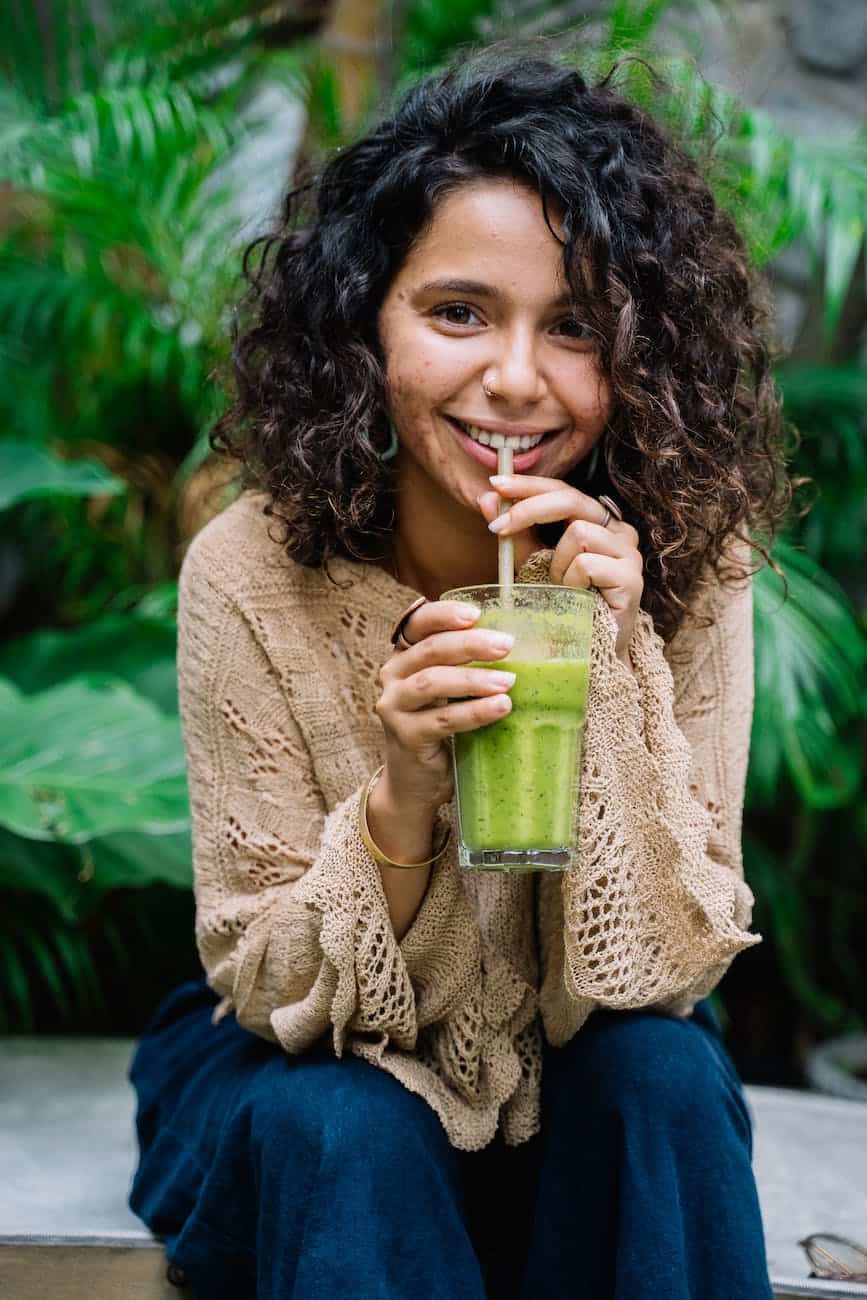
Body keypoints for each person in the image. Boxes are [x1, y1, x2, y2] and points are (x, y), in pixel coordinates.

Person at [128, 40, 793, 1300]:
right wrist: (400, 801)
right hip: (305, 1065)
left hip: (571, 1068)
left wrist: (618, 658)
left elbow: (668, 973)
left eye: (578, 326)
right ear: (363, 320)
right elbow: (266, 988)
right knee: (348, 1124)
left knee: (661, 1076)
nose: (515, 380)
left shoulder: (695, 563)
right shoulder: (253, 569)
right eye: (458, 312)